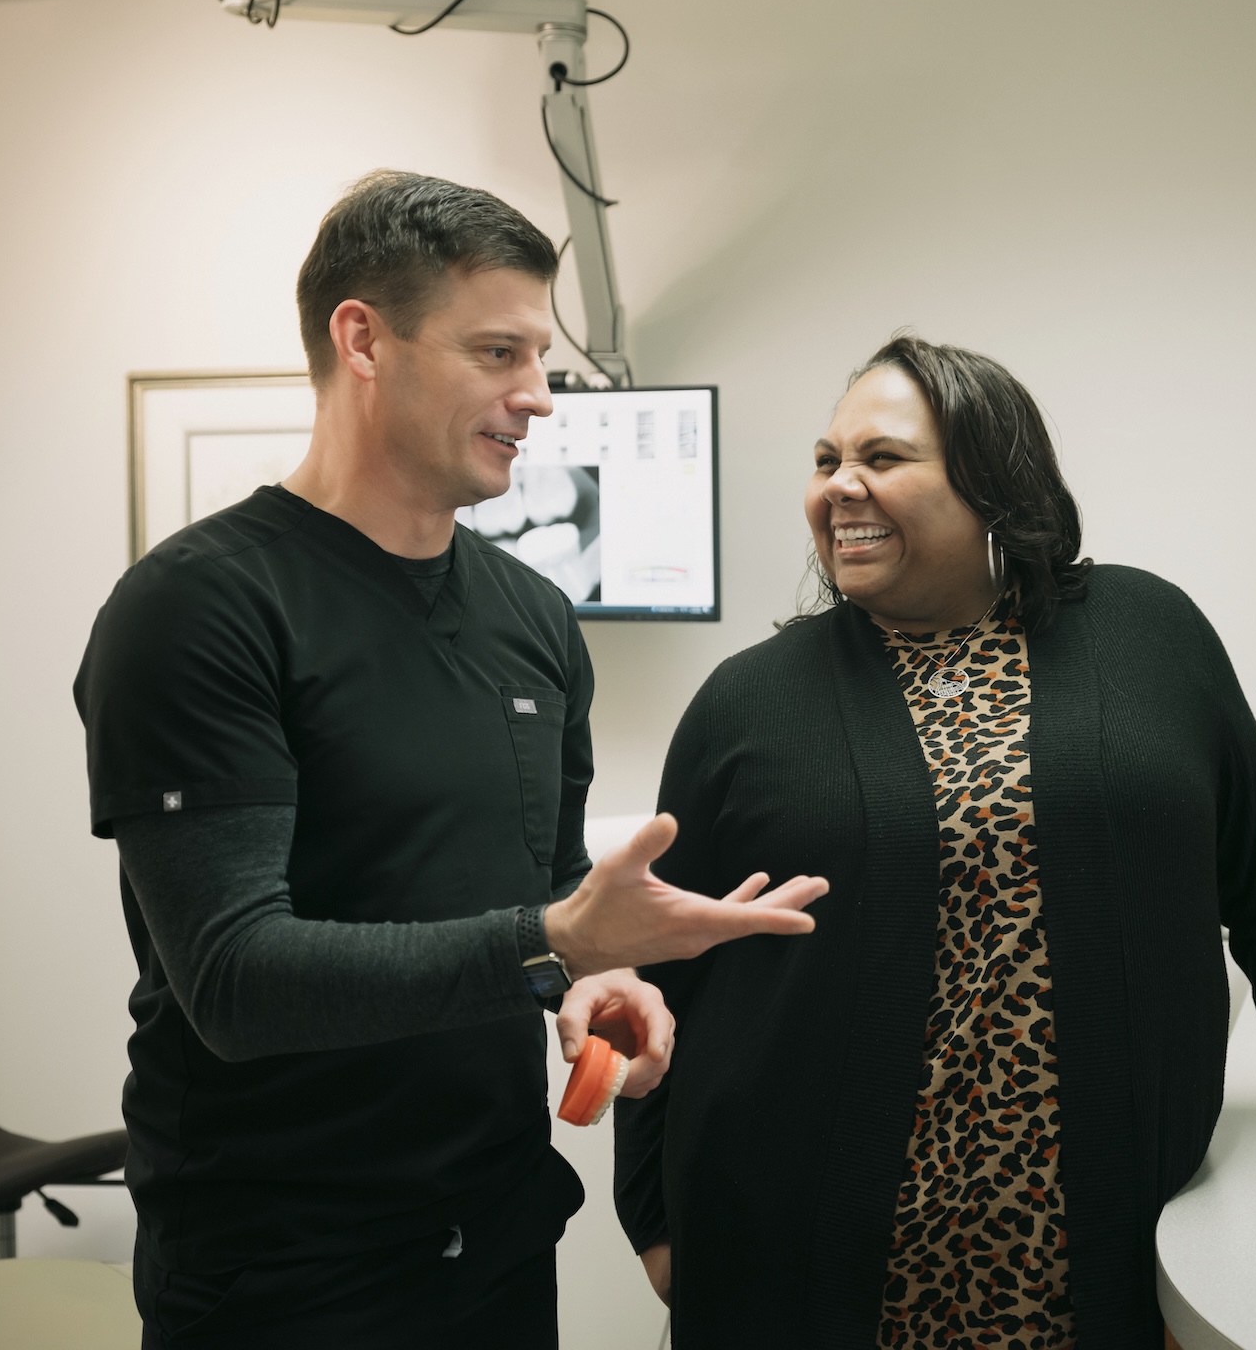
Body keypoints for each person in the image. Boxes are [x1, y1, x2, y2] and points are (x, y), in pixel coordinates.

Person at [611, 335, 1256, 1349]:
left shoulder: (1149, 635)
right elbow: (654, 966)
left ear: (996, 481)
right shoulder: (748, 701)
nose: (842, 488)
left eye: (884, 457)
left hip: (1084, 1242)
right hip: (803, 1249)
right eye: (827, 462)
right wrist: (649, 1215)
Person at [73, 171, 828, 1349]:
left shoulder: (531, 616)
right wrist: (557, 940)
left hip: (496, 1244)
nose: (537, 396)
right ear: (363, 338)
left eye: (539, 356)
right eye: (496, 353)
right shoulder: (201, 608)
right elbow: (233, 982)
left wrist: (582, 985)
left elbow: (520, 912)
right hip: (282, 1274)